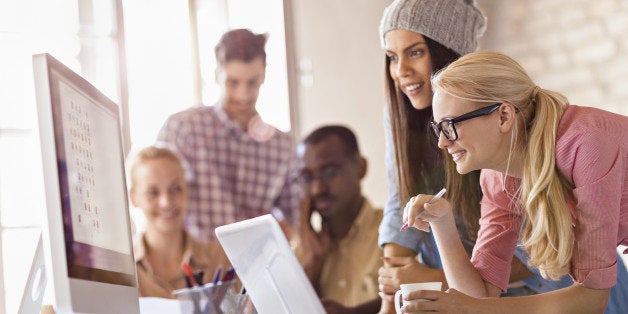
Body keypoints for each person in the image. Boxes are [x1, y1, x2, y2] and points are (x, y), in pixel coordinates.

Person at [376, 0, 581, 312]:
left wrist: (438, 278)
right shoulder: (402, 118)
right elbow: (399, 202)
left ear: (449, 53)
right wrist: (393, 286)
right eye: (392, 57)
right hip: (476, 293)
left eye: (415, 52)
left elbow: (543, 256)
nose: (401, 71)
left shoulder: (499, 120)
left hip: (552, 295)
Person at [401, 51, 628, 313]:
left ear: (504, 116)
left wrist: (473, 308)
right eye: (439, 129)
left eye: (450, 125)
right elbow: (480, 294)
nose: (442, 142)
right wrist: (441, 223)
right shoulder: (498, 177)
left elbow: (591, 299)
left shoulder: (587, 144)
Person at [157, 28, 300, 240]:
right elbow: (158, 200)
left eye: (252, 82)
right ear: (216, 75)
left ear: (264, 76)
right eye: (232, 83)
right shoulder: (183, 129)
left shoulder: (283, 147)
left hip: (253, 269)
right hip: (192, 266)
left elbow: (295, 223)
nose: (243, 96)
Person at [293, 125, 383, 313]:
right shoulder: (302, 250)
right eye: (307, 177)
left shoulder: (395, 232)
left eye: (329, 172)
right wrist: (313, 264)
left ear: (361, 168)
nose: (318, 189)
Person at [128, 146, 232, 298]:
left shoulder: (221, 259)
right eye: (153, 192)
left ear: (187, 190)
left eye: (176, 189)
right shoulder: (121, 270)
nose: (166, 202)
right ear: (133, 198)